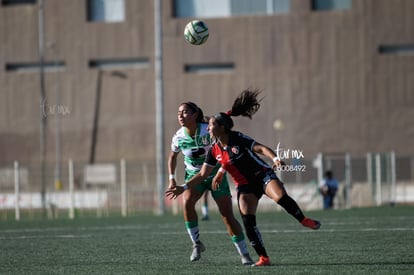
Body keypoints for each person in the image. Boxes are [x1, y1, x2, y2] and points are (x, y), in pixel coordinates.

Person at [166, 89, 321, 267]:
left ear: (221, 127)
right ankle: (263, 258)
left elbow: (261, 148)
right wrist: (183, 187)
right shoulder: (213, 149)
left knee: (280, 197)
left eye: (210, 125)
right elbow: (203, 174)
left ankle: (303, 220)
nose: (207, 128)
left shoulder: (237, 138)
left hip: (262, 176)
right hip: (244, 186)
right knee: (248, 222)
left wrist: (276, 159)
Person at [167, 101, 254, 265]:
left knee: (227, 215)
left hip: (215, 175)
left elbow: (225, 147)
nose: (180, 115)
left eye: (185, 112)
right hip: (194, 177)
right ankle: (196, 243)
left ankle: (244, 254)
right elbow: (172, 157)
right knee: (186, 203)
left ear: (195, 114)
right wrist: (172, 178)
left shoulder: (207, 129)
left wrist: (221, 171)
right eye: (178, 112)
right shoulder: (178, 136)